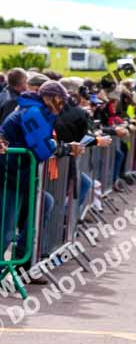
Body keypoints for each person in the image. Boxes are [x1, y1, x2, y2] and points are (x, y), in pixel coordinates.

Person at [0, 81, 84, 266]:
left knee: (45, 203)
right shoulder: (33, 112)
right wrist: (64, 147)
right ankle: (15, 262)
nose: (62, 104)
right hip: (10, 176)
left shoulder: (38, 112)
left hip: (20, 175)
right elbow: (42, 149)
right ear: (48, 98)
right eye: (59, 99)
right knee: (5, 231)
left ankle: (21, 260)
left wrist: (60, 147)